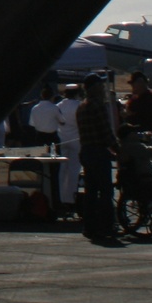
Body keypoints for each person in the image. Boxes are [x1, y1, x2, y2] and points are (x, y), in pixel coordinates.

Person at [76, 75, 119, 240]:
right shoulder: (97, 106)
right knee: (105, 192)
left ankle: (89, 227)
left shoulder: (81, 107)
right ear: (93, 87)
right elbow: (105, 131)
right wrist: (117, 149)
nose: (102, 88)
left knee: (90, 192)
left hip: (86, 151)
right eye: (100, 85)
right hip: (98, 152)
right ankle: (107, 226)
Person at [55, 84, 83, 217]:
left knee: (62, 170)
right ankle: (71, 199)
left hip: (62, 139)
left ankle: (61, 198)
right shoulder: (79, 105)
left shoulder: (59, 105)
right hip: (76, 139)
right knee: (74, 169)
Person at [124, 72, 152, 141]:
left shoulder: (149, 98)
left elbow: (145, 118)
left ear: (141, 83)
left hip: (148, 136)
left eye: (133, 84)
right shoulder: (136, 98)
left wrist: (128, 115)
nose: (132, 87)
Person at [28, 86, 60, 151]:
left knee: (40, 155)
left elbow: (32, 123)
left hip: (39, 136)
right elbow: (62, 121)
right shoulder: (55, 107)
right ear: (52, 96)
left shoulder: (35, 108)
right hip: (52, 136)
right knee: (54, 155)